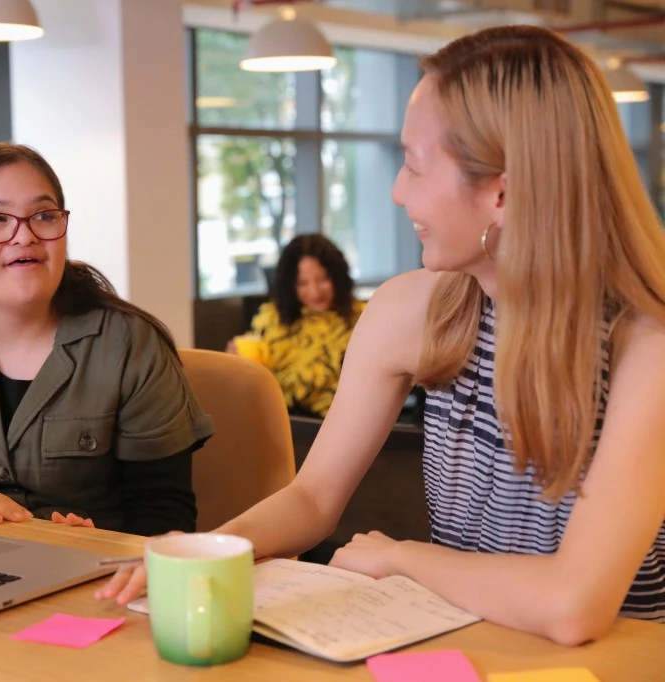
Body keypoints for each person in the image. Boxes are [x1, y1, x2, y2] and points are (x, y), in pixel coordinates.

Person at [98, 25, 665, 643]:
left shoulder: (647, 346)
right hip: (468, 640)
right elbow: (313, 499)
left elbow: (571, 604)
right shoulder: (412, 311)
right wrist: (210, 551)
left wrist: (401, 558)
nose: (396, 192)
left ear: (500, 192)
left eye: (413, 167)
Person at [0, 142, 213, 536]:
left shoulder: (130, 346)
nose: (25, 235)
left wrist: (105, 544)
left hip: (93, 579)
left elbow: (165, 512)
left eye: (44, 216)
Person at [230, 234, 364, 418]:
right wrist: (235, 365)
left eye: (323, 279)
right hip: (280, 424)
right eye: (302, 283)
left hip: (345, 424)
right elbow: (255, 385)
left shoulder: (364, 318)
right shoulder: (272, 318)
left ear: (337, 276)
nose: (315, 292)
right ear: (289, 286)